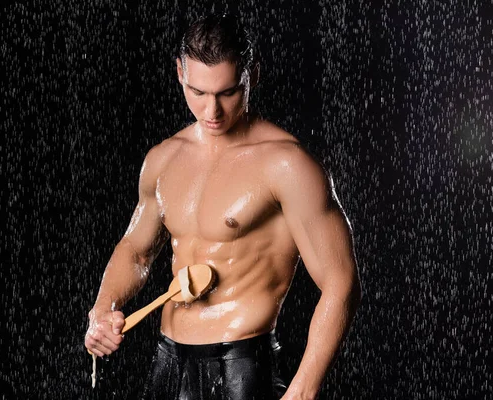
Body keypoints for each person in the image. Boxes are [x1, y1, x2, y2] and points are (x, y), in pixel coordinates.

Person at [84, 14, 361, 400]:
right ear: (180, 72)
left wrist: (303, 388)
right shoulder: (164, 159)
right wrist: (103, 308)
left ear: (252, 76)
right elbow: (136, 250)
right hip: (168, 362)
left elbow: (341, 280)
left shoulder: (286, 164)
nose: (212, 111)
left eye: (228, 92)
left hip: (242, 366)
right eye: (198, 92)